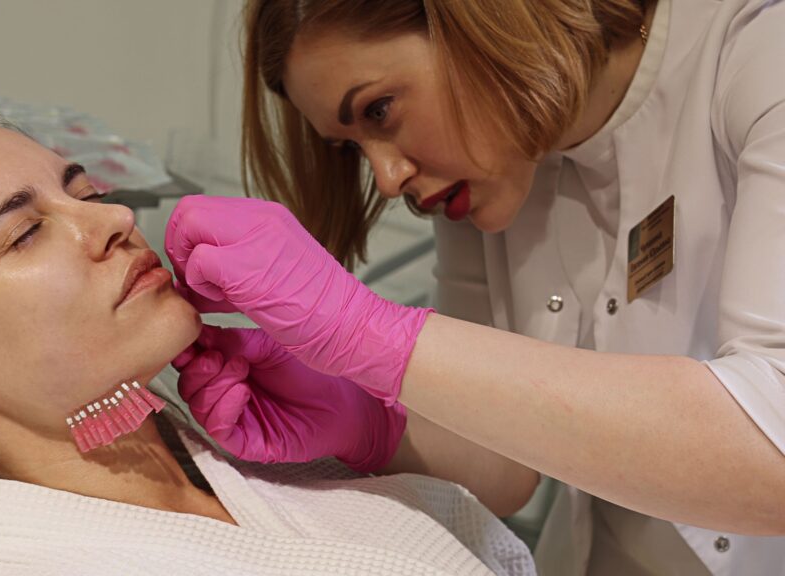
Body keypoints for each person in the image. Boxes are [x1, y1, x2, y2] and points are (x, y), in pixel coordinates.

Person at [0, 109, 535, 575]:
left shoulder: (243, 446)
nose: (115, 219)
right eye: (25, 232)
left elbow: (514, 487)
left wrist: (377, 426)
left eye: (86, 191)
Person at [166, 0, 785, 574]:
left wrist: (371, 336)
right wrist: (371, 425)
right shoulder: (491, 170)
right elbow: (509, 465)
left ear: (479, 19)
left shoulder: (758, 54)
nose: (387, 178)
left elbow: (773, 457)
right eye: (351, 149)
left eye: (380, 110)